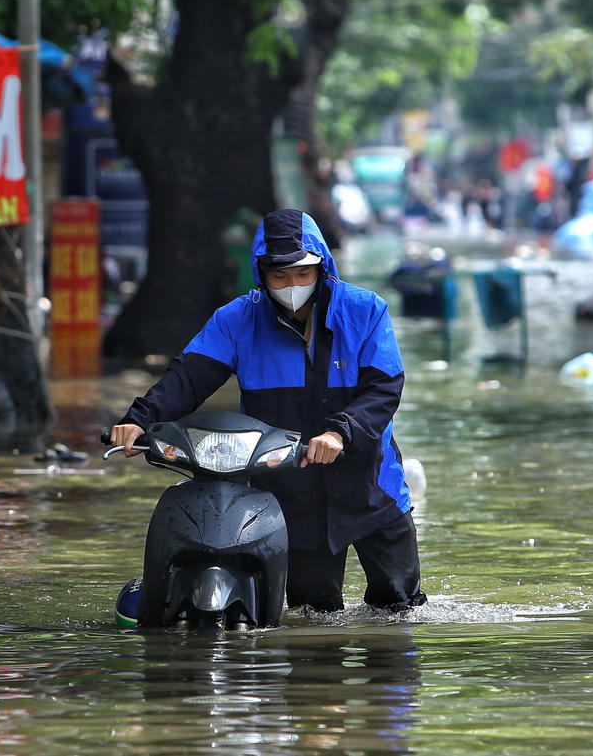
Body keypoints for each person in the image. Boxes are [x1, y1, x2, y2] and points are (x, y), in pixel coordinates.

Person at [110, 208, 427, 612]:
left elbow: (383, 391)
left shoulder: (366, 311)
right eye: (279, 276)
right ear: (261, 274)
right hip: (291, 490)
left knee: (399, 612)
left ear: (322, 268)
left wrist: (339, 433)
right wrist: (139, 418)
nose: (292, 284)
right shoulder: (236, 319)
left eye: (302, 273)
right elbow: (188, 378)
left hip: (372, 484)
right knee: (313, 617)